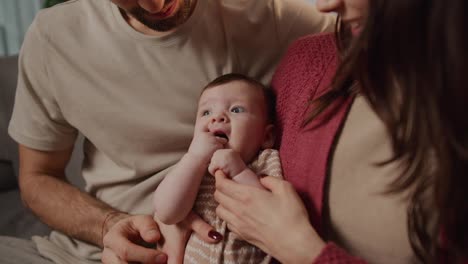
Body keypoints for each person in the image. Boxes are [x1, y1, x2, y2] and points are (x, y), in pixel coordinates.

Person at [1, 0, 334, 263]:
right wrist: (109, 225)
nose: (154, 4)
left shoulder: (277, 16)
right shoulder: (54, 37)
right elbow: (37, 178)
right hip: (86, 252)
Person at [211, 0, 468, 263]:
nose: (325, 5)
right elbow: (245, 150)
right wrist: (185, 210)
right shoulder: (305, 63)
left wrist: (300, 250)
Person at [153, 73, 283, 263]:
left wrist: (239, 172)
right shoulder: (193, 168)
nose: (217, 118)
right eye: (206, 112)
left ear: (267, 137)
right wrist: (194, 158)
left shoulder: (265, 161)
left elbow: (270, 215)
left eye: (236, 109)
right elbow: (167, 212)